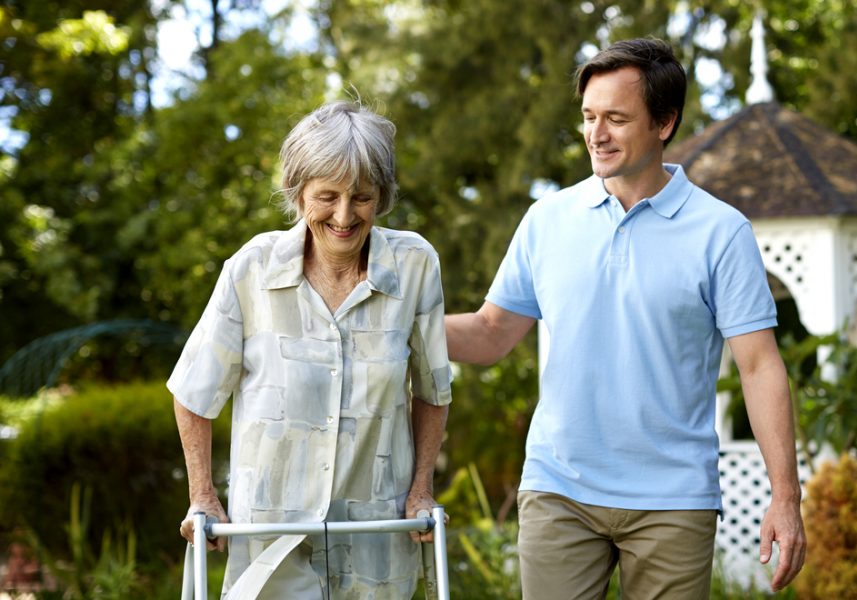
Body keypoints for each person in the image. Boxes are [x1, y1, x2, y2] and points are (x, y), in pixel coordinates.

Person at [446, 38, 806, 598]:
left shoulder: (720, 231)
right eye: (589, 116)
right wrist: (398, 324)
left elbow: (759, 367)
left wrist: (785, 496)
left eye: (616, 118)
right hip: (559, 489)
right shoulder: (548, 220)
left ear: (664, 123)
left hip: (672, 498)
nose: (596, 133)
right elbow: (491, 334)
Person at [170, 100, 451, 599]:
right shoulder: (252, 269)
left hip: (375, 538)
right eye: (328, 196)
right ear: (298, 194)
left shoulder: (413, 265)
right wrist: (202, 495)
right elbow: (195, 389)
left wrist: (420, 489)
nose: (344, 215)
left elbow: (432, 389)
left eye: (361, 197)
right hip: (270, 542)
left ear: (381, 197)